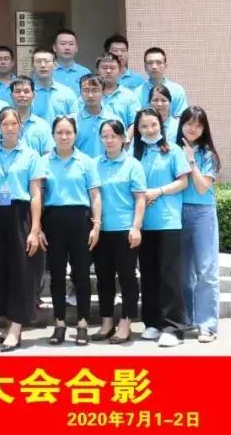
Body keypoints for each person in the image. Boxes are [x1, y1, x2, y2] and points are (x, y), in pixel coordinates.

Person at [34, 115, 102, 346]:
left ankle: (82, 323)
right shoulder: (43, 161)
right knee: (57, 275)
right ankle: (60, 323)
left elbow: (95, 195)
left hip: (80, 220)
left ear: (75, 135)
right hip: (53, 220)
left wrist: (96, 225)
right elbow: (38, 195)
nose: (64, 137)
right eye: (59, 132)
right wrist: (38, 227)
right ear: (53, 135)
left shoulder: (86, 161)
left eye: (68, 132)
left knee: (81, 274)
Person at [0, 107, 44, 352]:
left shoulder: (31, 155)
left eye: (14, 123)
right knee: (0, 270)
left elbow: (36, 194)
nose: (10, 128)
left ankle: (17, 328)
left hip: (20, 214)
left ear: (20, 126)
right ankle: (8, 322)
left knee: (21, 271)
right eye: (5, 124)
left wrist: (35, 229)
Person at [133, 108, 190, 347]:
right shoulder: (135, 153)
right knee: (148, 274)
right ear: (137, 130)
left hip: (167, 221)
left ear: (161, 126)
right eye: (144, 126)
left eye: (153, 125)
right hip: (142, 224)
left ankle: (173, 327)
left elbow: (183, 182)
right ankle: (153, 323)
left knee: (170, 276)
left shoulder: (173, 150)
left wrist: (158, 191)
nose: (149, 130)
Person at [91, 119, 146, 344]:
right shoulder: (94, 164)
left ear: (123, 138)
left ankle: (125, 323)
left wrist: (136, 227)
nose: (109, 140)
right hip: (101, 231)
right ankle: (106, 322)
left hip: (125, 230)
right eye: (105, 136)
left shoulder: (133, 165)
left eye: (113, 136)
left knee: (127, 278)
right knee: (103, 278)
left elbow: (140, 199)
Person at [178, 106, 221, 344]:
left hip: (202, 213)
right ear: (181, 125)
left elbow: (203, 187)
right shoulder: (172, 150)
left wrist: (191, 161)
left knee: (205, 270)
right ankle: (187, 319)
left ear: (204, 129)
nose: (193, 128)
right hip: (177, 213)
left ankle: (207, 325)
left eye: (198, 125)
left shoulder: (208, 155)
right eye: (189, 123)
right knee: (183, 272)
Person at [0, 77, 52, 155]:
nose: (22, 95)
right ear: (11, 95)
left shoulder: (42, 126)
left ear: (34, 95)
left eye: (26, 91)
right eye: (18, 91)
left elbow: (48, 155)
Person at [30, 47, 79, 123]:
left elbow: (75, 120)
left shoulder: (67, 93)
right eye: (38, 61)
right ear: (33, 66)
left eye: (47, 61)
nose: (43, 65)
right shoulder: (27, 94)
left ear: (55, 65)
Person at [74, 75, 119, 157]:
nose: (90, 95)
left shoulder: (114, 120)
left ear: (103, 92)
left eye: (95, 90)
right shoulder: (72, 121)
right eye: (86, 90)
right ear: (80, 93)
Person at [141, 47, 189, 116]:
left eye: (159, 62)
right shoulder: (137, 93)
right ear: (145, 67)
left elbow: (180, 118)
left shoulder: (177, 90)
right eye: (150, 63)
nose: (154, 66)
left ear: (165, 66)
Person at [97, 53, 140, 129]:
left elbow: (135, 123)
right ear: (98, 70)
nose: (108, 71)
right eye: (104, 68)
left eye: (113, 68)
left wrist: (125, 137)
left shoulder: (130, 96)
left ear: (120, 71)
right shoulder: (90, 95)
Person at [52, 28, 91, 94]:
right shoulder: (46, 72)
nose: (67, 48)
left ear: (76, 48)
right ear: (54, 48)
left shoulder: (85, 73)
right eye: (63, 43)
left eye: (71, 44)